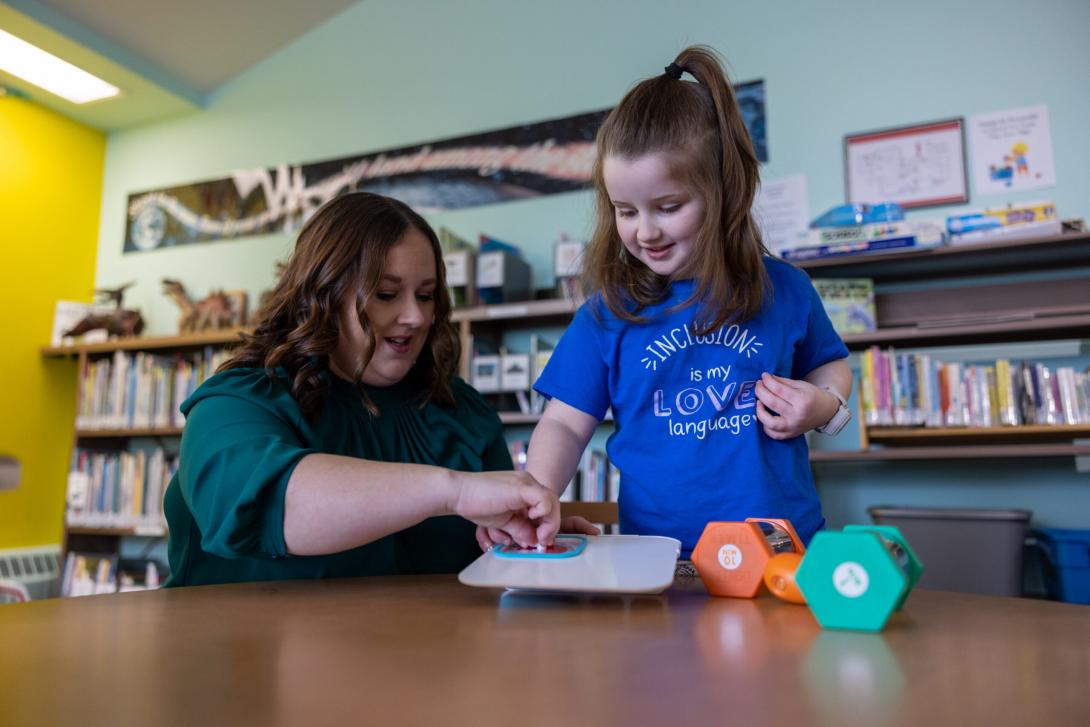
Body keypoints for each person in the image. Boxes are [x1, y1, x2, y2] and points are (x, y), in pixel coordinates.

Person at [486, 46, 852, 560]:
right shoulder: (606, 314)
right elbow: (566, 422)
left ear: (723, 189)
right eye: (625, 210)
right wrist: (537, 492)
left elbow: (831, 366)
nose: (645, 230)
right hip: (660, 558)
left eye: (668, 207)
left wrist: (823, 407)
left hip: (782, 552)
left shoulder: (786, 288)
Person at [164, 192, 567, 587]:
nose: (414, 316)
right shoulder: (235, 403)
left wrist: (532, 542)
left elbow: (489, 562)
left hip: (431, 650)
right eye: (386, 294)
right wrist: (454, 490)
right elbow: (270, 505)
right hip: (247, 652)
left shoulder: (463, 411)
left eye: (426, 296)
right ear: (322, 294)